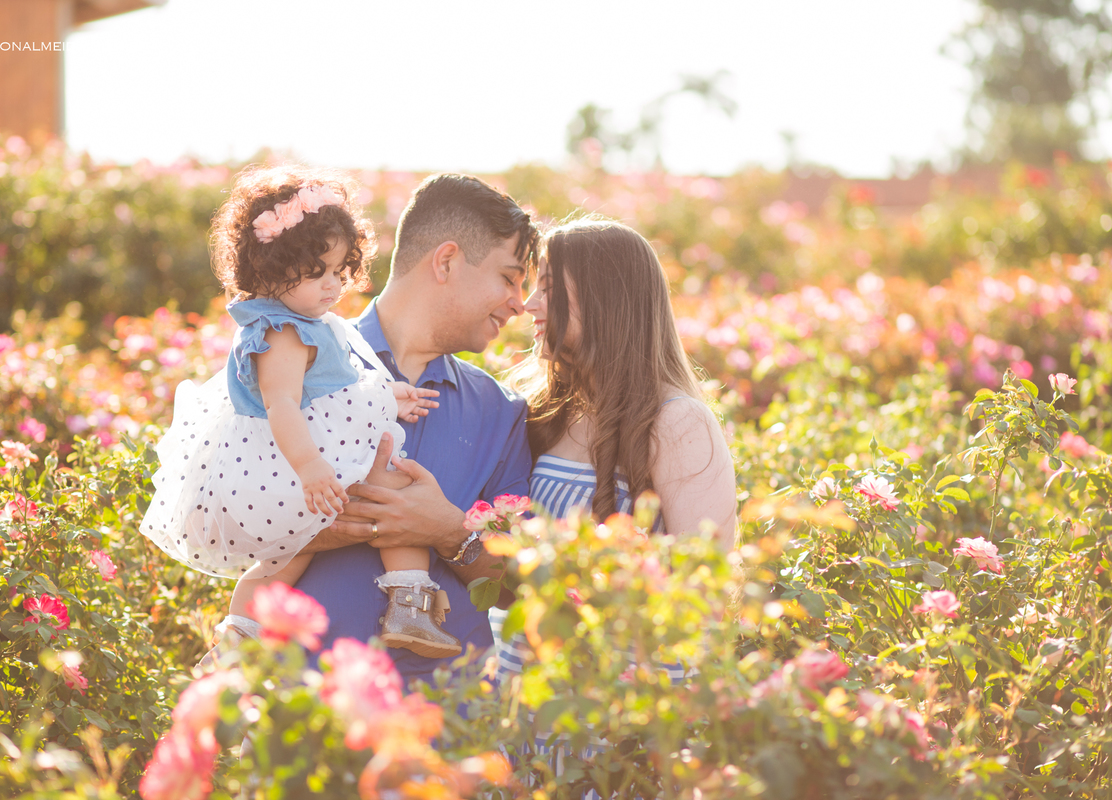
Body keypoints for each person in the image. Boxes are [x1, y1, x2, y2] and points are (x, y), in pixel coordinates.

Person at [140, 165, 462, 660]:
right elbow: (283, 404)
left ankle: (238, 637)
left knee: (287, 555)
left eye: (338, 271)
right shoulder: (282, 333)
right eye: (317, 274)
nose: (332, 286)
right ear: (272, 271)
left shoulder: (307, 320)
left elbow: (334, 392)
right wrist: (312, 470)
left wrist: (388, 398)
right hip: (292, 466)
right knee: (396, 493)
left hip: (293, 465)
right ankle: (408, 603)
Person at [488, 216, 738, 786]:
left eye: (549, 287)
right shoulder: (547, 411)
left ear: (606, 301)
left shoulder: (676, 424)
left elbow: (705, 592)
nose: (529, 305)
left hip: (618, 716)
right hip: (525, 697)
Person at [289, 173, 540, 684]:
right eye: (509, 278)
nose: (520, 303)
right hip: (306, 717)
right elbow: (228, 516)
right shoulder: (292, 368)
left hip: (450, 729)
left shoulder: (502, 411)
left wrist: (450, 533)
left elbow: (520, 586)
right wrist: (319, 528)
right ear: (446, 261)